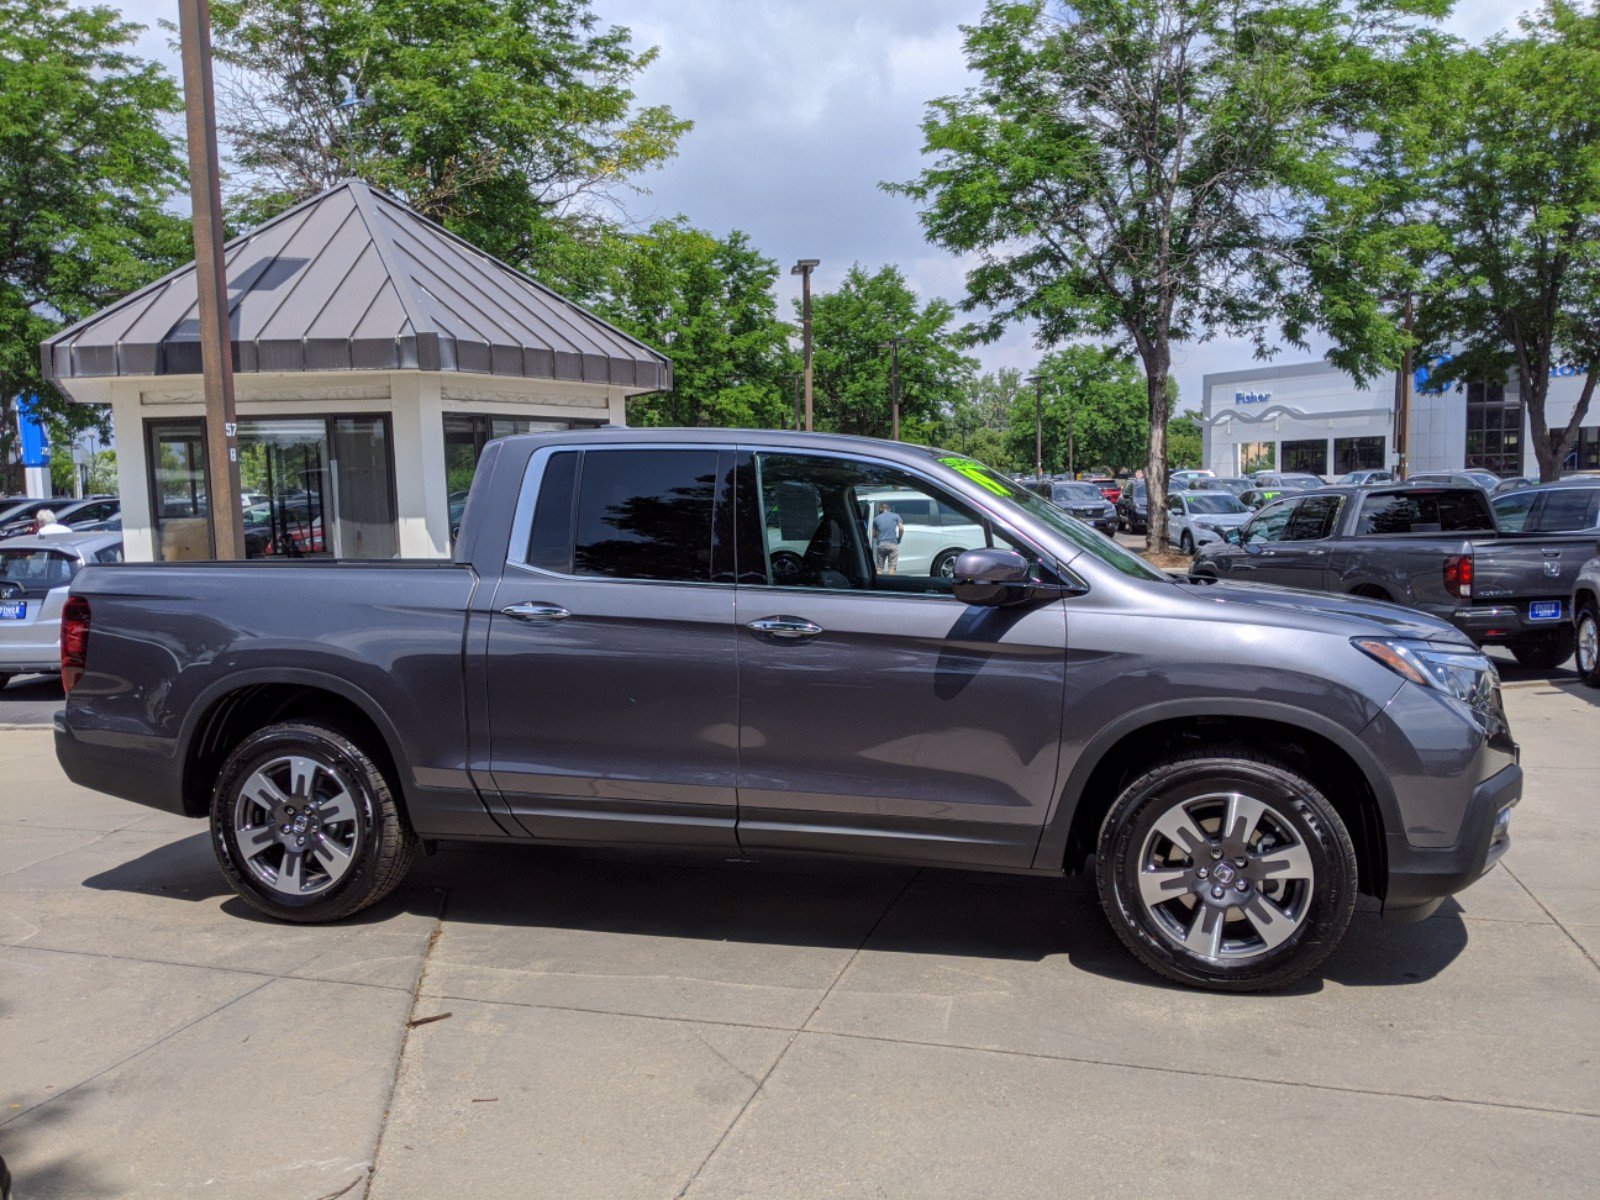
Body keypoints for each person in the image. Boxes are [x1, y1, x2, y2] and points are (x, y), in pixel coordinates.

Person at [871, 501, 903, 575]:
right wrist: (899, 539)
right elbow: (901, 528)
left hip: (881, 544)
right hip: (893, 544)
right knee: (892, 566)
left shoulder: (876, 519)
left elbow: (874, 534)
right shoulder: (896, 516)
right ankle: (891, 584)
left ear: (880, 510)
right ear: (889, 509)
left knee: (879, 567)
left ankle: (878, 584)